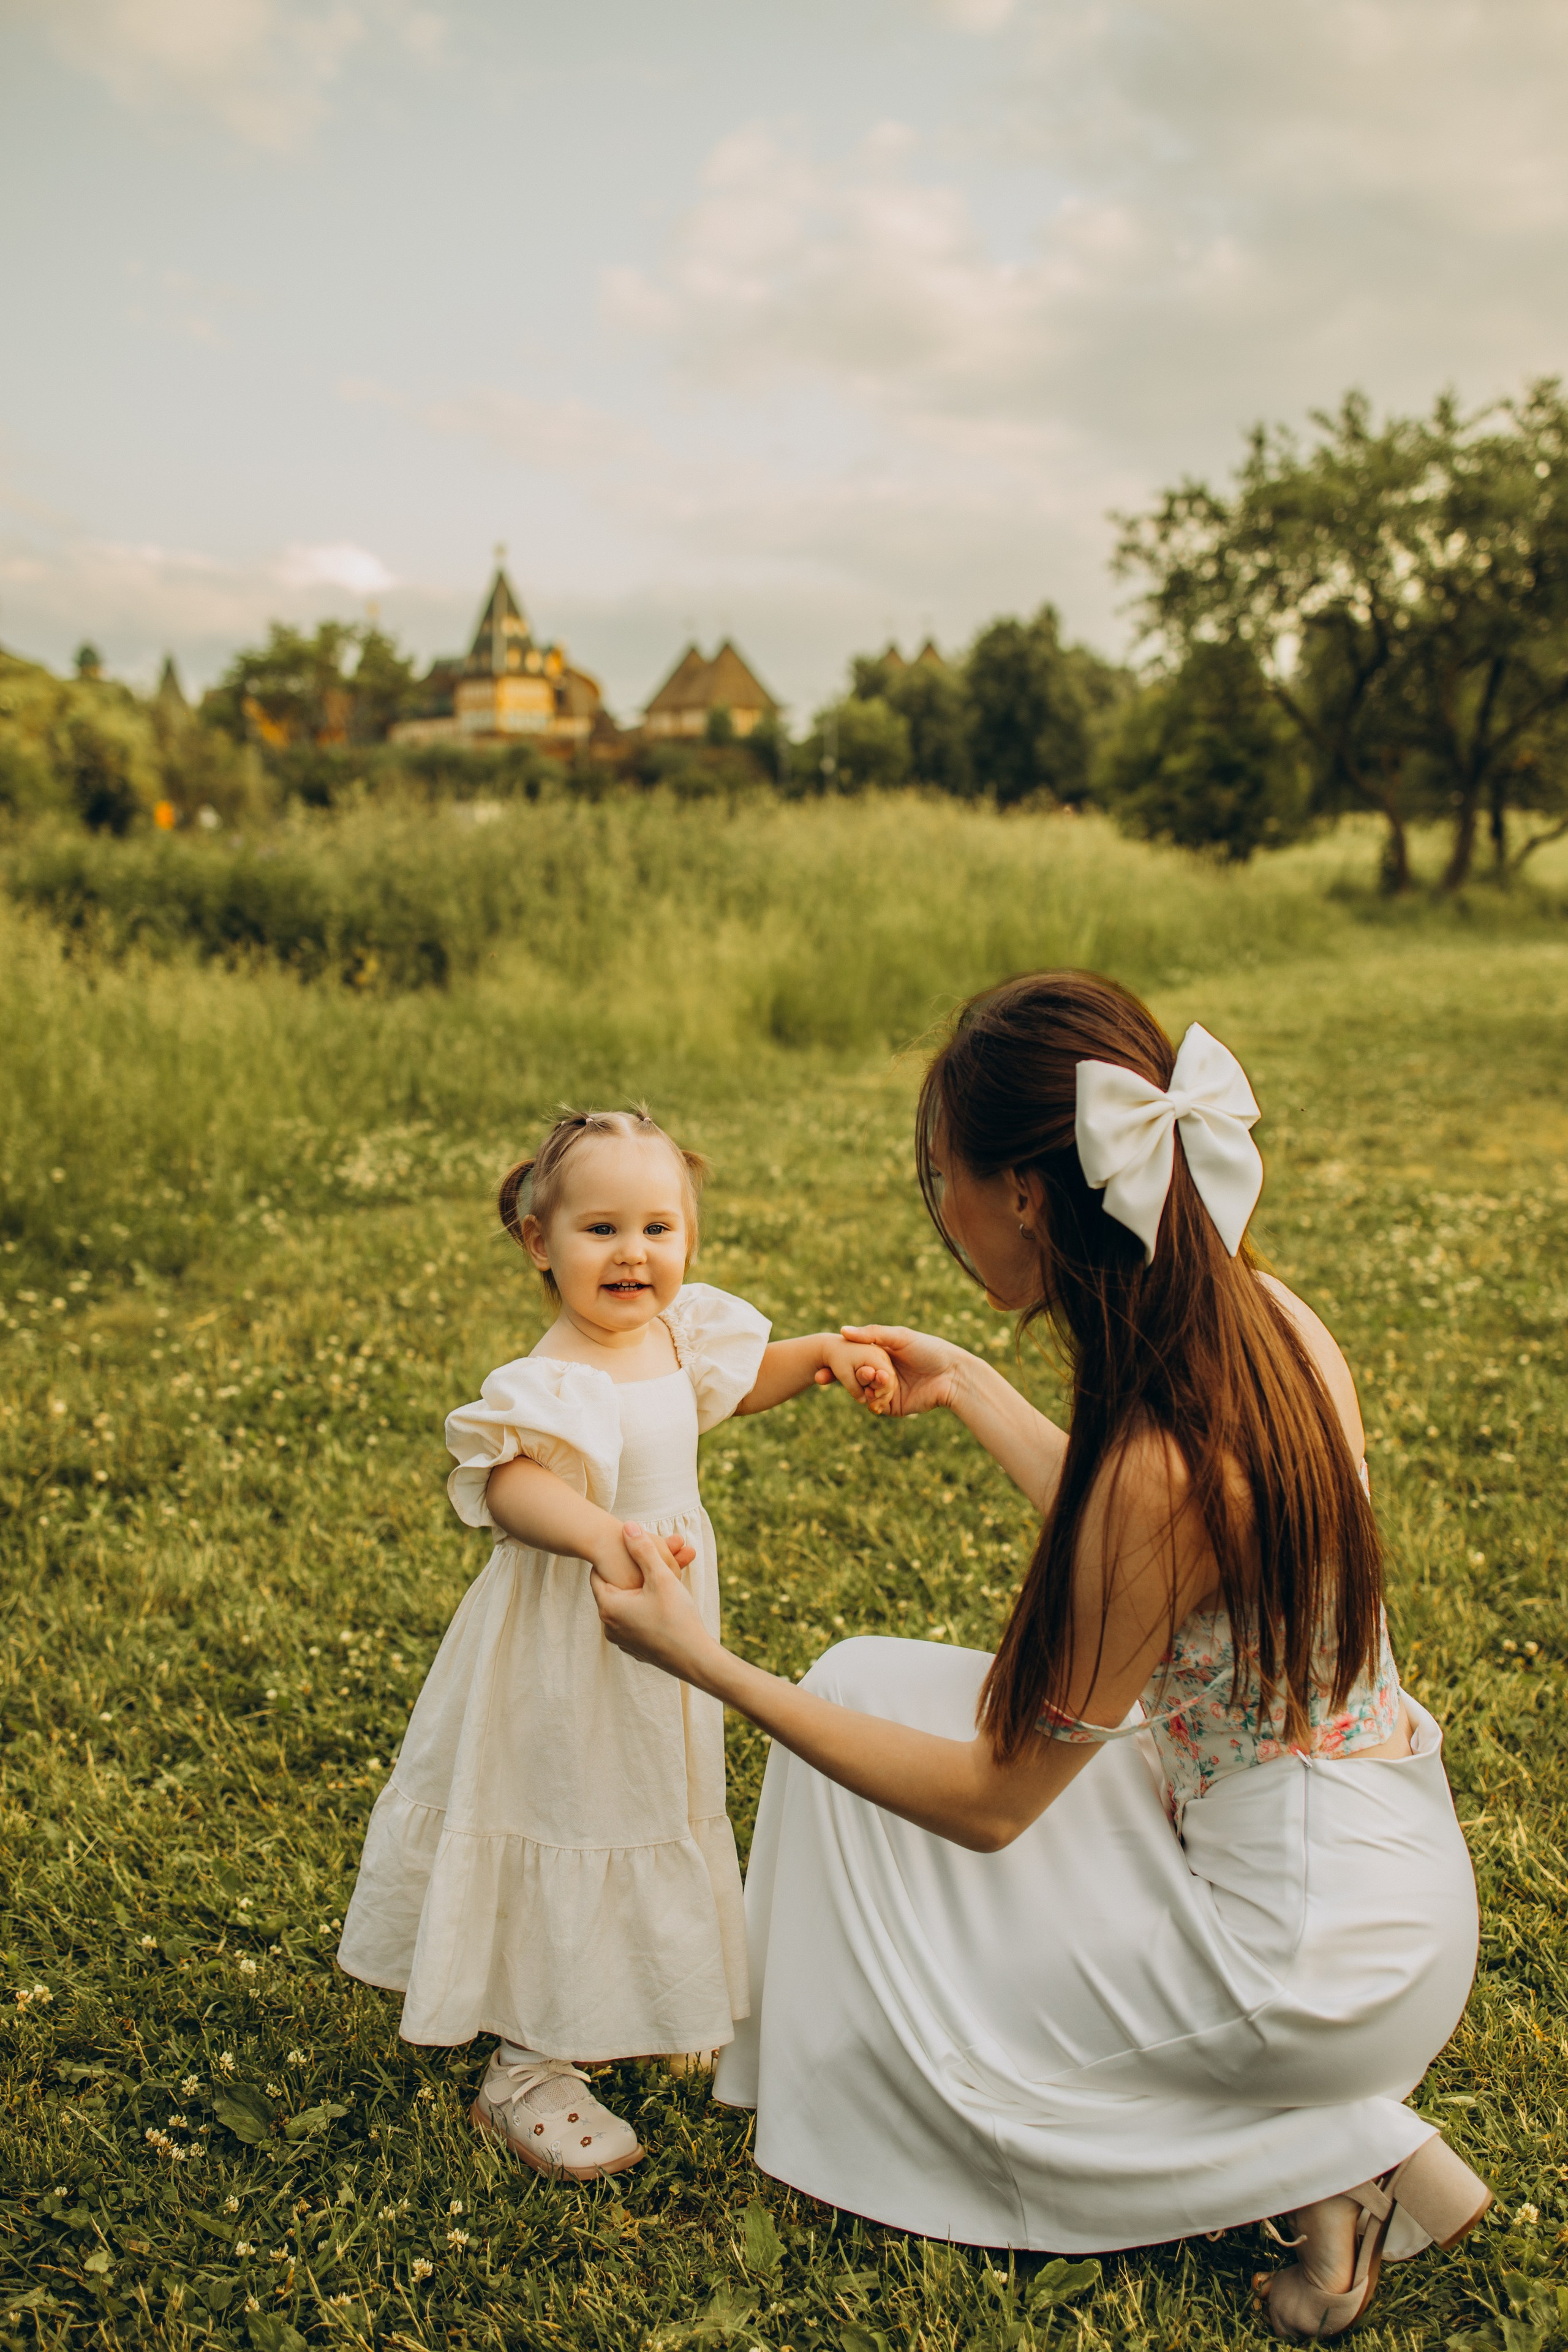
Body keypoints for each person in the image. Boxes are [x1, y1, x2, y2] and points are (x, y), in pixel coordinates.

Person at [590, 977, 1491, 2340]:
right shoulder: (1254, 1319)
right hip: (1359, 1860)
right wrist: (966, 1383)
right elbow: (1162, 1568)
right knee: (861, 1683)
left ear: (1022, 1193)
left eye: (936, 1176)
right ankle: (1326, 2140)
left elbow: (990, 1803)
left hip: (1303, 1961)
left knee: (946, 1979)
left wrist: (704, 1662)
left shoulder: (1158, 1457)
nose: (936, 1206)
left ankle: (1337, 2151)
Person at [336, 1108, 892, 2180]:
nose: (634, 1253)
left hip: (663, 1620)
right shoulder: (557, 1373)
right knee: (574, 1803)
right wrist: (602, 1536)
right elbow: (510, 1485)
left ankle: (649, 1982)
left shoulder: (675, 1338)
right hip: (575, 1634)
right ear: (540, 1242)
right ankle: (530, 2064)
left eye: (658, 1227)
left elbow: (726, 1390)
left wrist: (820, 1356)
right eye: (600, 1229)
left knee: (655, 1790)